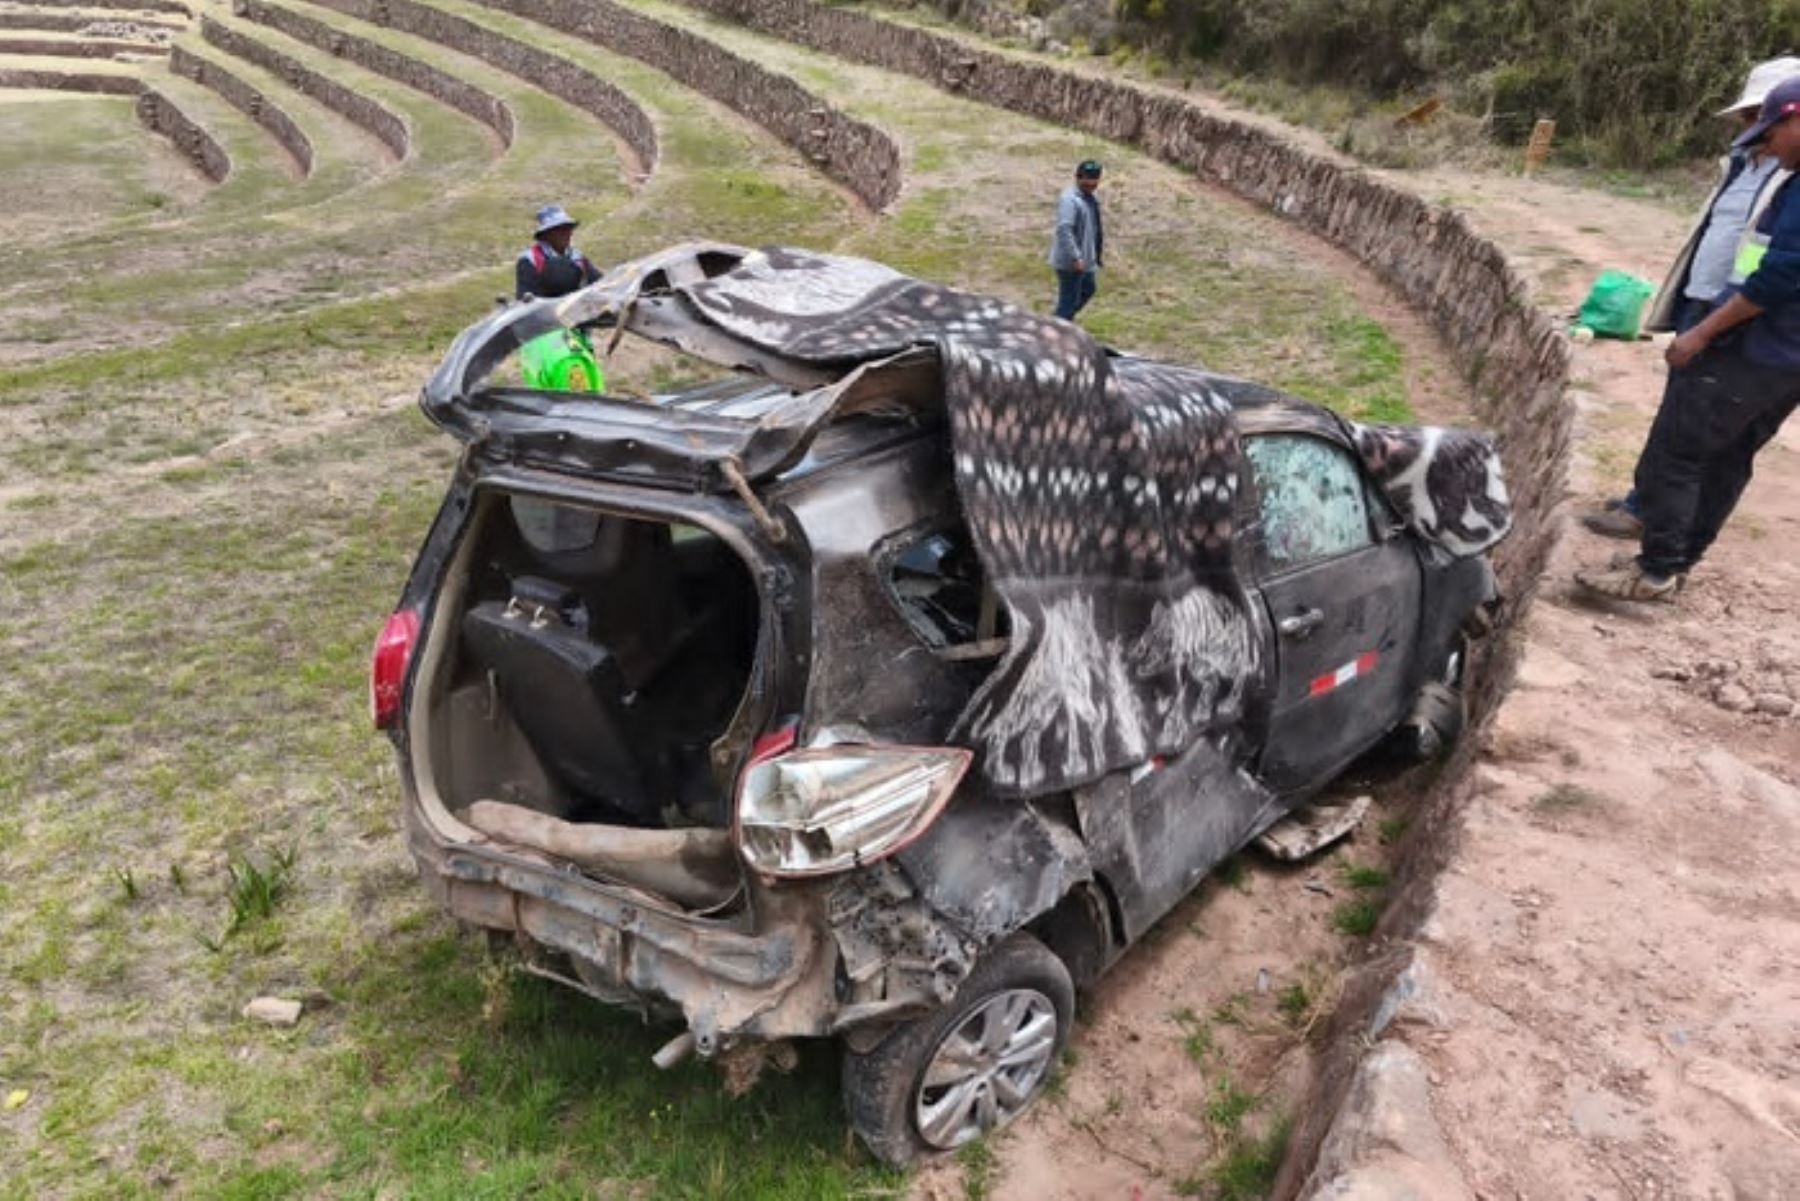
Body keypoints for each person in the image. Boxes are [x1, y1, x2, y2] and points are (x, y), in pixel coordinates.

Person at [1576, 75, 1800, 602]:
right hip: (1782, 356)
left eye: (1770, 132)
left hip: (1758, 347)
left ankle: (1655, 570)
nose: (1764, 145)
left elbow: (1777, 278)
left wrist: (1702, 331)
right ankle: (1675, 564)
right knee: (1728, 456)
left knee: (1681, 450)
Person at [1049, 160, 1104, 321]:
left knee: (1088, 288)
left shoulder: (1090, 198)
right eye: (1087, 178)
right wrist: (1076, 257)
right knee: (1068, 302)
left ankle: (1060, 322)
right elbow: (1064, 229)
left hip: (1086, 260)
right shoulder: (1070, 199)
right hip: (1071, 263)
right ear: (1078, 178)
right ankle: (1058, 328)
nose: (1092, 183)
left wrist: (1096, 255)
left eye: (1095, 179)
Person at [515, 203, 601, 300]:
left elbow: (599, 283)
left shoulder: (578, 258)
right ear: (546, 234)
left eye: (568, 228)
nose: (566, 233)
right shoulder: (530, 260)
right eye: (559, 230)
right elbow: (526, 301)